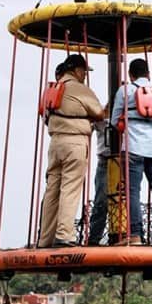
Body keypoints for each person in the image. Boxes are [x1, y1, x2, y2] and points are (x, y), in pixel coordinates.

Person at [38, 54, 107, 248]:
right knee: (70, 189)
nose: (85, 75)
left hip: (55, 143)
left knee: (52, 191)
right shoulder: (80, 89)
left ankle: (45, 238)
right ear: (76, 70)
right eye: (84, 71)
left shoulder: (52, 89)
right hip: (74, 143)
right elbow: (99, 113)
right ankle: (64, 235)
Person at [111, 58, 152, 246]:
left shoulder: (125, 90)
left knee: (133, 191)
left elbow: (115, 121)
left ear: (131, 75)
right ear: (148, 74)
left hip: (133, 146)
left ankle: (136, 236)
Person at [87, 111, 110, 246]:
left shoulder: (128, 115)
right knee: (101, 202)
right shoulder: (100, 116)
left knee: (125, 200)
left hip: (124, 161)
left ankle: (129, 235)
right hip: (105, 161)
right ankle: (94, 238)